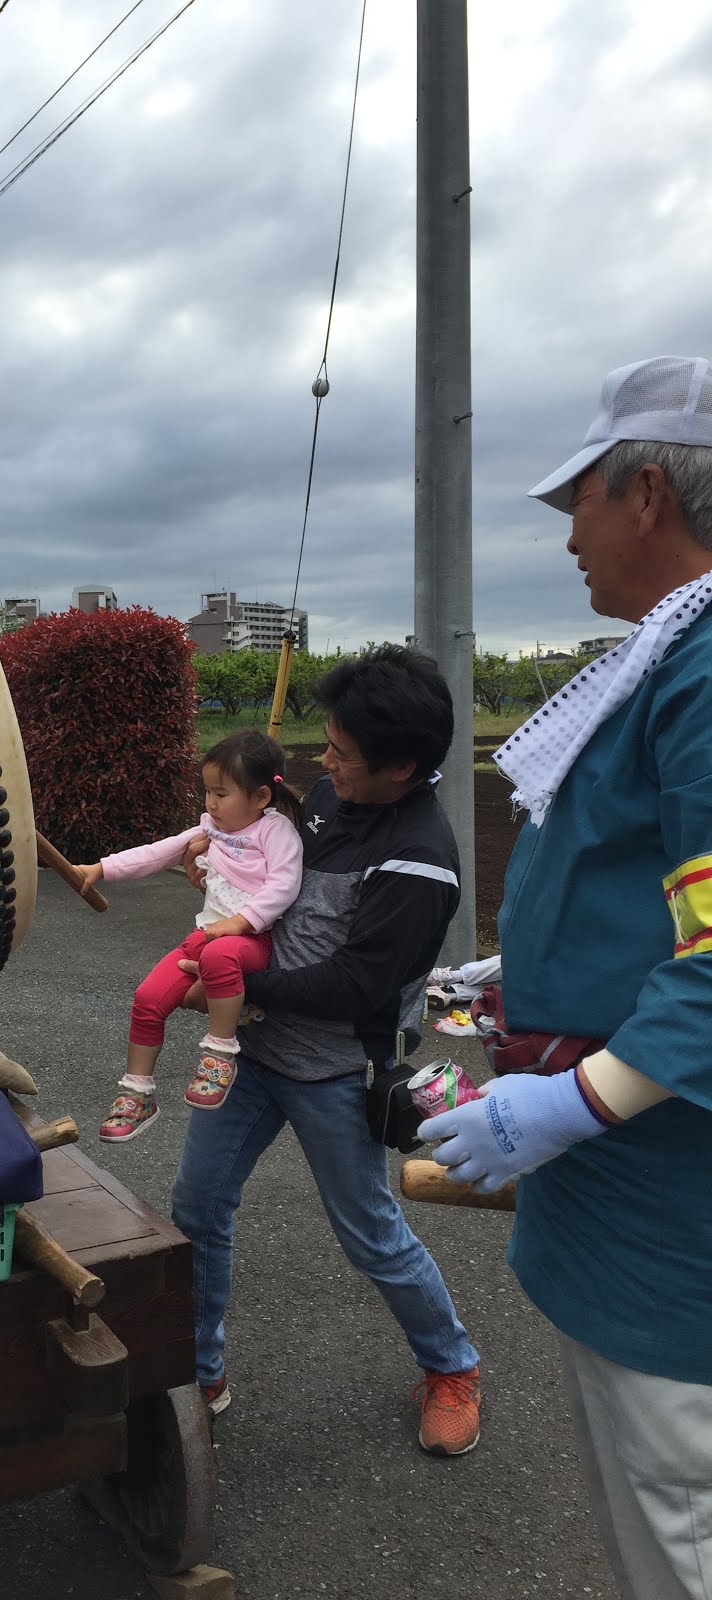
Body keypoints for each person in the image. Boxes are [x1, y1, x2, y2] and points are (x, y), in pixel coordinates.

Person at [420, 355, 712, 1597]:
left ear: (645, 493)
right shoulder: (670, 657)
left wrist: (573, 1098)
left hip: (672, 1210)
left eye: (578, 501)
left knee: (676, 1508)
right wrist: (523, 977)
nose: (572, 537)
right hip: (629, 1184)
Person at [171, 646, 482, 1453]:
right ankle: (200, 1373)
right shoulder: (326, 804)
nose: (324, 763)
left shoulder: (421, 860)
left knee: (369, 1233)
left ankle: (451, 1366)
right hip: (252, 1054)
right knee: (196, 1207)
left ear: (402, 766)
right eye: (328, 743)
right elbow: (277, 886)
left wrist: (232, 988)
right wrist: (226, 886)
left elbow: (358, 990)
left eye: (342, 754)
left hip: (335, 1070)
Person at [76, 731, 304, 1142]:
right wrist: (101, 869)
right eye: (207, 792)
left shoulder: (277, 833)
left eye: (221, 793)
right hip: (207, 934)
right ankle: (137, 1092)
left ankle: (219, 1053)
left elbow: (284, 886)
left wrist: (239, 923)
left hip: (252, 940)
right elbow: (158, 852)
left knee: (219, 958)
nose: (211, 803)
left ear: (260, 798)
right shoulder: (210, 828)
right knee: (148, 997)